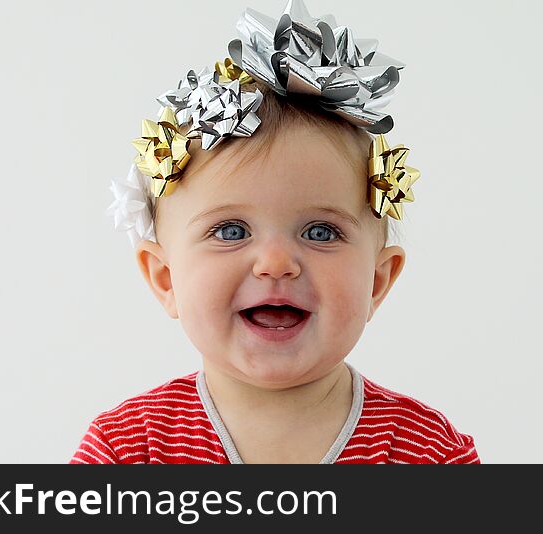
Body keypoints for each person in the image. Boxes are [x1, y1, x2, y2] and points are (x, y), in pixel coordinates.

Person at [71, 0, 479, 464]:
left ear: (377, 281)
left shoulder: (427, 451)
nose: (276, 263)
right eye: (230, 230)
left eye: (322, 232)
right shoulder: (127, 448)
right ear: (165, 278)